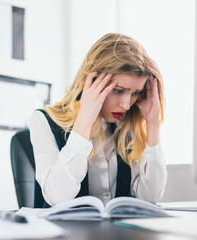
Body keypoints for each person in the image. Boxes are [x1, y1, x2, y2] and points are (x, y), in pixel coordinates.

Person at [29, 33, 167, 208]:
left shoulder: (127, 127)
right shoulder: (43, 121)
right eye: (118, 90)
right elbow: (57, 197)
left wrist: (153, 125)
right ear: (92, 82)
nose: (126, 105)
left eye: (135, 93)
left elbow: (150, 199)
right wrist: (85, 119)